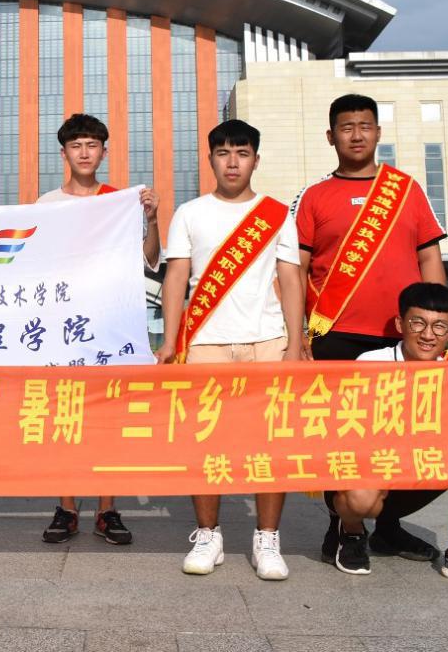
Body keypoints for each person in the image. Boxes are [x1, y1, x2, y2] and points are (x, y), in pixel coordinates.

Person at [293, 94, 448, 565]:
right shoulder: (314, 197)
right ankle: (346, 525)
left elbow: (429, 258)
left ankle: (388, 526)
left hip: (402, 337)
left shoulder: (406, 190)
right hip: (335, 334)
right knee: (340, 436)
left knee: (405, 434)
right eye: (346, 127)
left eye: (365, 126)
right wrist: (298, 334)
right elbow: (297, 270)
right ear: (331, 136)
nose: (356, 135)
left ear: (378, 132)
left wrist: (439, 325)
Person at [154, 120, 302, 580]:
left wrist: (295, 344)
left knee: (271, 443)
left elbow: (291, 279)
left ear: (256, 159)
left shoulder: (276, 213)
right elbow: (176, 278)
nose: (232, 162)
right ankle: (208, 535)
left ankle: (267, 538)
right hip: (206, 342)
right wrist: (170, 340)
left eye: (241, 152)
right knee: (206, 441)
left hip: (266, 340)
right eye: (223, 153)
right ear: (210, 159)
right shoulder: (190, 213)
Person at [328, 282, 448, 587]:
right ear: (400, 324)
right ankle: (351, 532)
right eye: (418, 323)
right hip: (366, 478)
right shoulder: (371, 363)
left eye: (439, 326)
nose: (428, 335)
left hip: (417, 476)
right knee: (362, 498)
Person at [36, 112, 160, 546]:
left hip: (110, 325)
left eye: (92, 145)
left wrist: (152, 219)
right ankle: (66, 507)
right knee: (65, 419)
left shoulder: (119, 201)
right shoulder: (47, 205)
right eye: (77, 145)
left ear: (104, 152)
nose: (84, 152)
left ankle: (107, 509)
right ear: (64, 153)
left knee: (109, 420)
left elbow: (149, 260)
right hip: (63, 327)